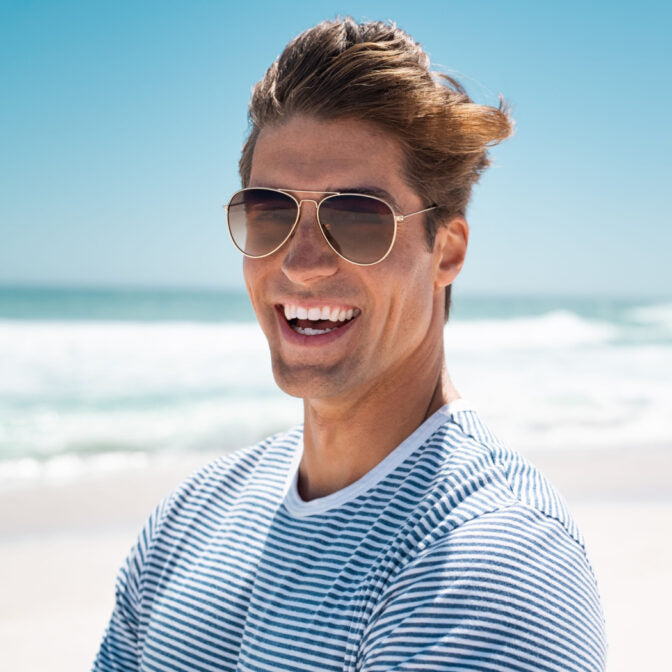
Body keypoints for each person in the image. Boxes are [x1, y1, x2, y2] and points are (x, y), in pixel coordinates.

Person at [93, 17, 606, 672]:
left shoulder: (493, 558)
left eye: (359, 219)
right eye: (270, 214)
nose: (301, 263)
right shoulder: (191, 518)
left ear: (447, 251)